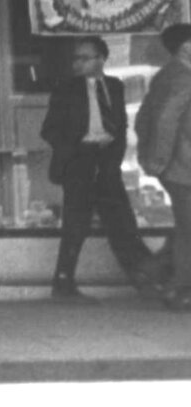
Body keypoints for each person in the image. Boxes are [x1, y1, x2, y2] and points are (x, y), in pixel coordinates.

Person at [39, 36, 160, 300]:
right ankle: (63, 281)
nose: (78, 63)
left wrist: (114, 156)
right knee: (75, 223)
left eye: (84, 58)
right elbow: (49, 129)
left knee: (122, 221)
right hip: (79, 159)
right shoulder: (66, 88)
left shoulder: (114, 86)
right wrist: (74, 147)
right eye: (76, 58)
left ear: (101, 59)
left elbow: (119, 123)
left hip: (106, 160)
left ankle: (145, 277)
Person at [135, 22, 191, 311]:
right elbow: (166, 119)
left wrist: (149, 157)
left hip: (174, 166)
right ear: (186, 47)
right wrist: (157, 160)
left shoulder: (166, 74)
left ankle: (153, 270)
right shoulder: (185, 77)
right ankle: (179, 289)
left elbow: (144, 117)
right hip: (183, 167)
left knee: (185, 226)